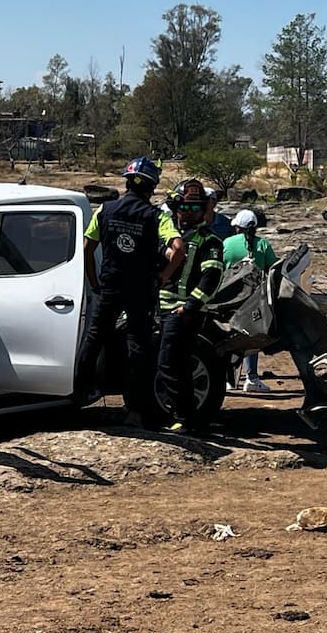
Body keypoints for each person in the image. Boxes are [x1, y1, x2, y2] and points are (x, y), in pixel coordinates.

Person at [76, 157, 185, 423]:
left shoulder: (105, 210)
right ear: (151, 187)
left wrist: (93, 281)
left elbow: (87, 248)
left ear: (127, 182)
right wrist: (163, 276)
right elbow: (179, 248)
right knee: (138, 347)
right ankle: (135, 408)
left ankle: (79, 393)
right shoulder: (156, 216)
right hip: (140, 291)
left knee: (94, 339)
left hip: (110, 287)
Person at [156, 178, 225, 432]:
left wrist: (191, 306)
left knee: (169, 363)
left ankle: (186, 417)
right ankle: (188, 420)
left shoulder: (210, 241)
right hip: (164, 309)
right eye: (183, 208)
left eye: (194, 208)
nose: (187, 213)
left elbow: (212, 277)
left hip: (184, 312)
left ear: (204, 209)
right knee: (180, 364)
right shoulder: (168, 236)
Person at [222, 209, 278, 392]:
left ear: (237, 226)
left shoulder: (227, 243)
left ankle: (229, 379)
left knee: (228, 336)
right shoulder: (262, 244)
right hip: (254, 298)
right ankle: (251, 377)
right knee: (251, 337)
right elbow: (273, 268)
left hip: (228, 297)